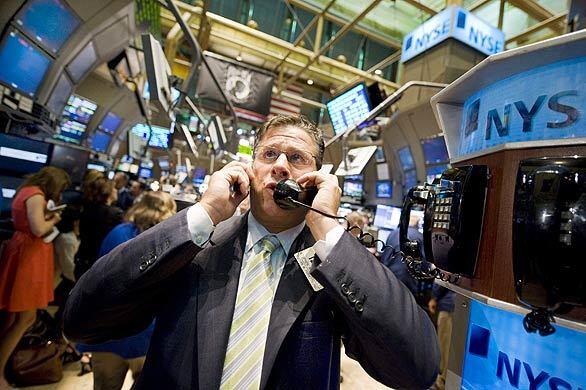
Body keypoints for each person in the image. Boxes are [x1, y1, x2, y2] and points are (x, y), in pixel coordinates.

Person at [64, 115, 439, 389]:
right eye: (270, 154)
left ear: (319, 179)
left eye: (297, 158)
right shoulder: (196, 244)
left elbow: (417, 368)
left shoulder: (336, 264)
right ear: (248, 168)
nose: (280, 165)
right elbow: (83, 319)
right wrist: (204, 212)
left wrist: (328, 229)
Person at [77, 191, 176, 390]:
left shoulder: (119, 233)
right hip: (148, 336)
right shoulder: (172, 239)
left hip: (108, 333)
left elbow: (99, 278)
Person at [0, 167, 70, 390]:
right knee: (26, 318)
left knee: (13, 318)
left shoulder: (26, 190)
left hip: (24, 252)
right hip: (29, 256)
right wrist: (55, 218)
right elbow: (38, 228)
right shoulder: (36, 195)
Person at [74, 176, 123, 280]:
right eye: (114, 188)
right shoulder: (114, 214)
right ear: (108, 192)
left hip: (82, 257)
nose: (116, 190)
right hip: (99, 262)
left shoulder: (87, 207)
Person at [428, 284, 456, 390]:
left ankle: (441, 382)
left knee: (444, 346)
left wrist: (434, 297)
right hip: (456, 303)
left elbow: (443, 277)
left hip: (449, 305)